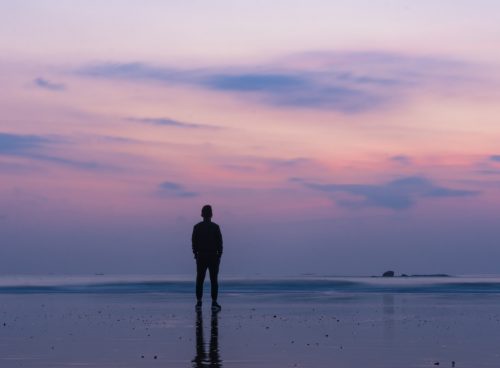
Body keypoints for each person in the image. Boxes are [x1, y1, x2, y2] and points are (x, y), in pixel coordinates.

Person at [192, 204, 223, 311]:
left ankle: (199, 302)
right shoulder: (215, 227)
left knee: (200, 279)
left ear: (202, 214)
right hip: (213, 256)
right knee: (213, 280)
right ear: (211, 214)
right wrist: (219, 255)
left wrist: (195, 254)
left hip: (201, 256)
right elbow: (220, 243)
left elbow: (194, 242)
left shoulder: (197, 227)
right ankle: (214, 302)